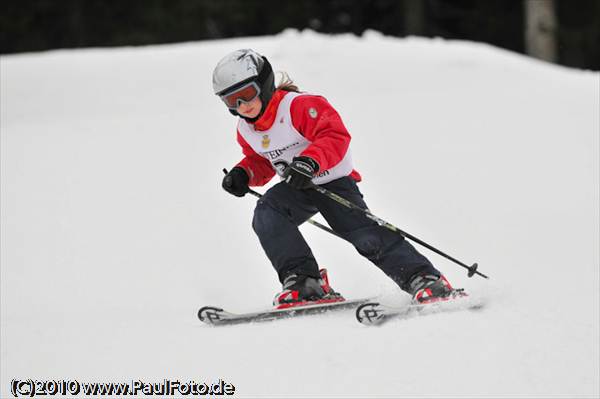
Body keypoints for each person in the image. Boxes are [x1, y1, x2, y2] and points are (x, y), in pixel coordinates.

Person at [213, 49, 459, 307]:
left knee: (364, 236)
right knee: (267, 213)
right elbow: (261, 160)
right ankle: (305, 282)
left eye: (246, 95)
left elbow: (334, 136)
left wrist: (310, 162)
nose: (242, 106)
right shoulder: (246, 129)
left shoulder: (298, 106)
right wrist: (244, 173)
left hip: (333, 181)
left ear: (264, 84)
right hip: (296, 187)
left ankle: (423, 278)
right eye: (231, 101)